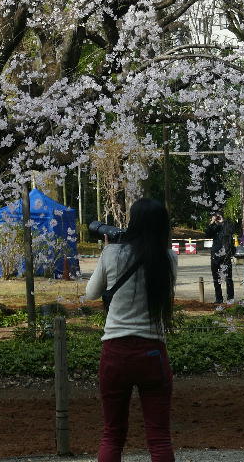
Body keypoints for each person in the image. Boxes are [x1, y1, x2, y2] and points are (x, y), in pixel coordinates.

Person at [84, 197, 177, 462]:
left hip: (116, 351)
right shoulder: (169, 258)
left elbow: (91, 293)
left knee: (112, 434)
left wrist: (109, 252)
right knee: (159, 437)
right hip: (153, 352)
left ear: (133, 222)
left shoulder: (113, 253)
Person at [202, 212, 237, 309]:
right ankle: (218, 298)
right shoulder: (214, 227)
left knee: (228, 278)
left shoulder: (226, 226)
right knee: (216, 278)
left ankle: (230, 298)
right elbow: (207, 234)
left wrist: (223, 222)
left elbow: (231, 231)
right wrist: (212, 222)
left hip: (226, 255)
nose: (217, 218)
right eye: (216, 217)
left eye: (218, 216)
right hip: (215, 255)